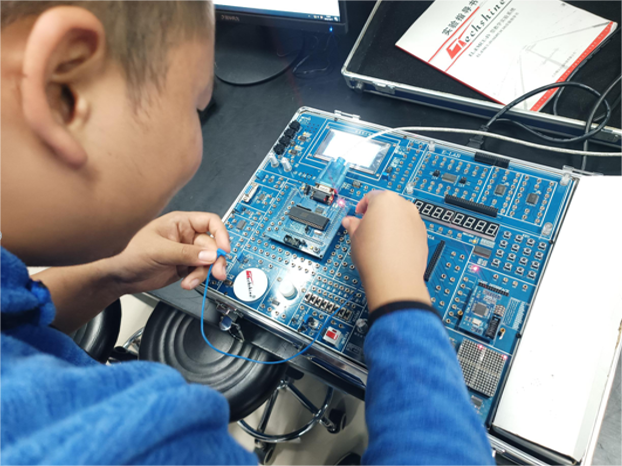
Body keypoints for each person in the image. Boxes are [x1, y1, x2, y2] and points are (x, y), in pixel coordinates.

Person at [0, 1, 495, 465]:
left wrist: (110, 276)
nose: (199, 124)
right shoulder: (122, 444)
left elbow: (14, 320)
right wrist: (401, 294)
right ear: (65, 89)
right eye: (197, 106)